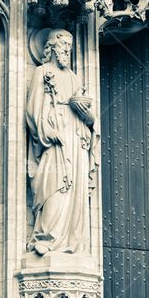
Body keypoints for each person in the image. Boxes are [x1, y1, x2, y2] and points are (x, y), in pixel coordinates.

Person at [25, 30, 96, 255]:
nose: (67, 49)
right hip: (56, 140)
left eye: (70, 45)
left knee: (75, 188)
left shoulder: (74, 78)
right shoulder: (42, 72)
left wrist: (86, 115)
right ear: (51, 46)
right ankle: (47, 236)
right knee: (54, 184)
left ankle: (70, 243)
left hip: (76, 139)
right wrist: (48, 130)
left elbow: (91, 118)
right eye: (63, 44)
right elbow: (33, 109)